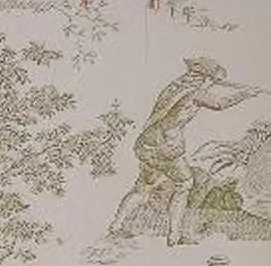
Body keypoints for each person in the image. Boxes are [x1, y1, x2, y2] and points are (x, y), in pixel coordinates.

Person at [112, 59, 265, 243]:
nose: (213, 83)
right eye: (212, 80)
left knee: (142, 187)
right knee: (185, 184)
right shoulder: (194, 92)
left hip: (149, 144)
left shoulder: (177, 86)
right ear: (205, 77)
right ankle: (174, 235)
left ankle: (116, 225)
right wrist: (244, 94)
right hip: (167, 147)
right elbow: (219, 104)